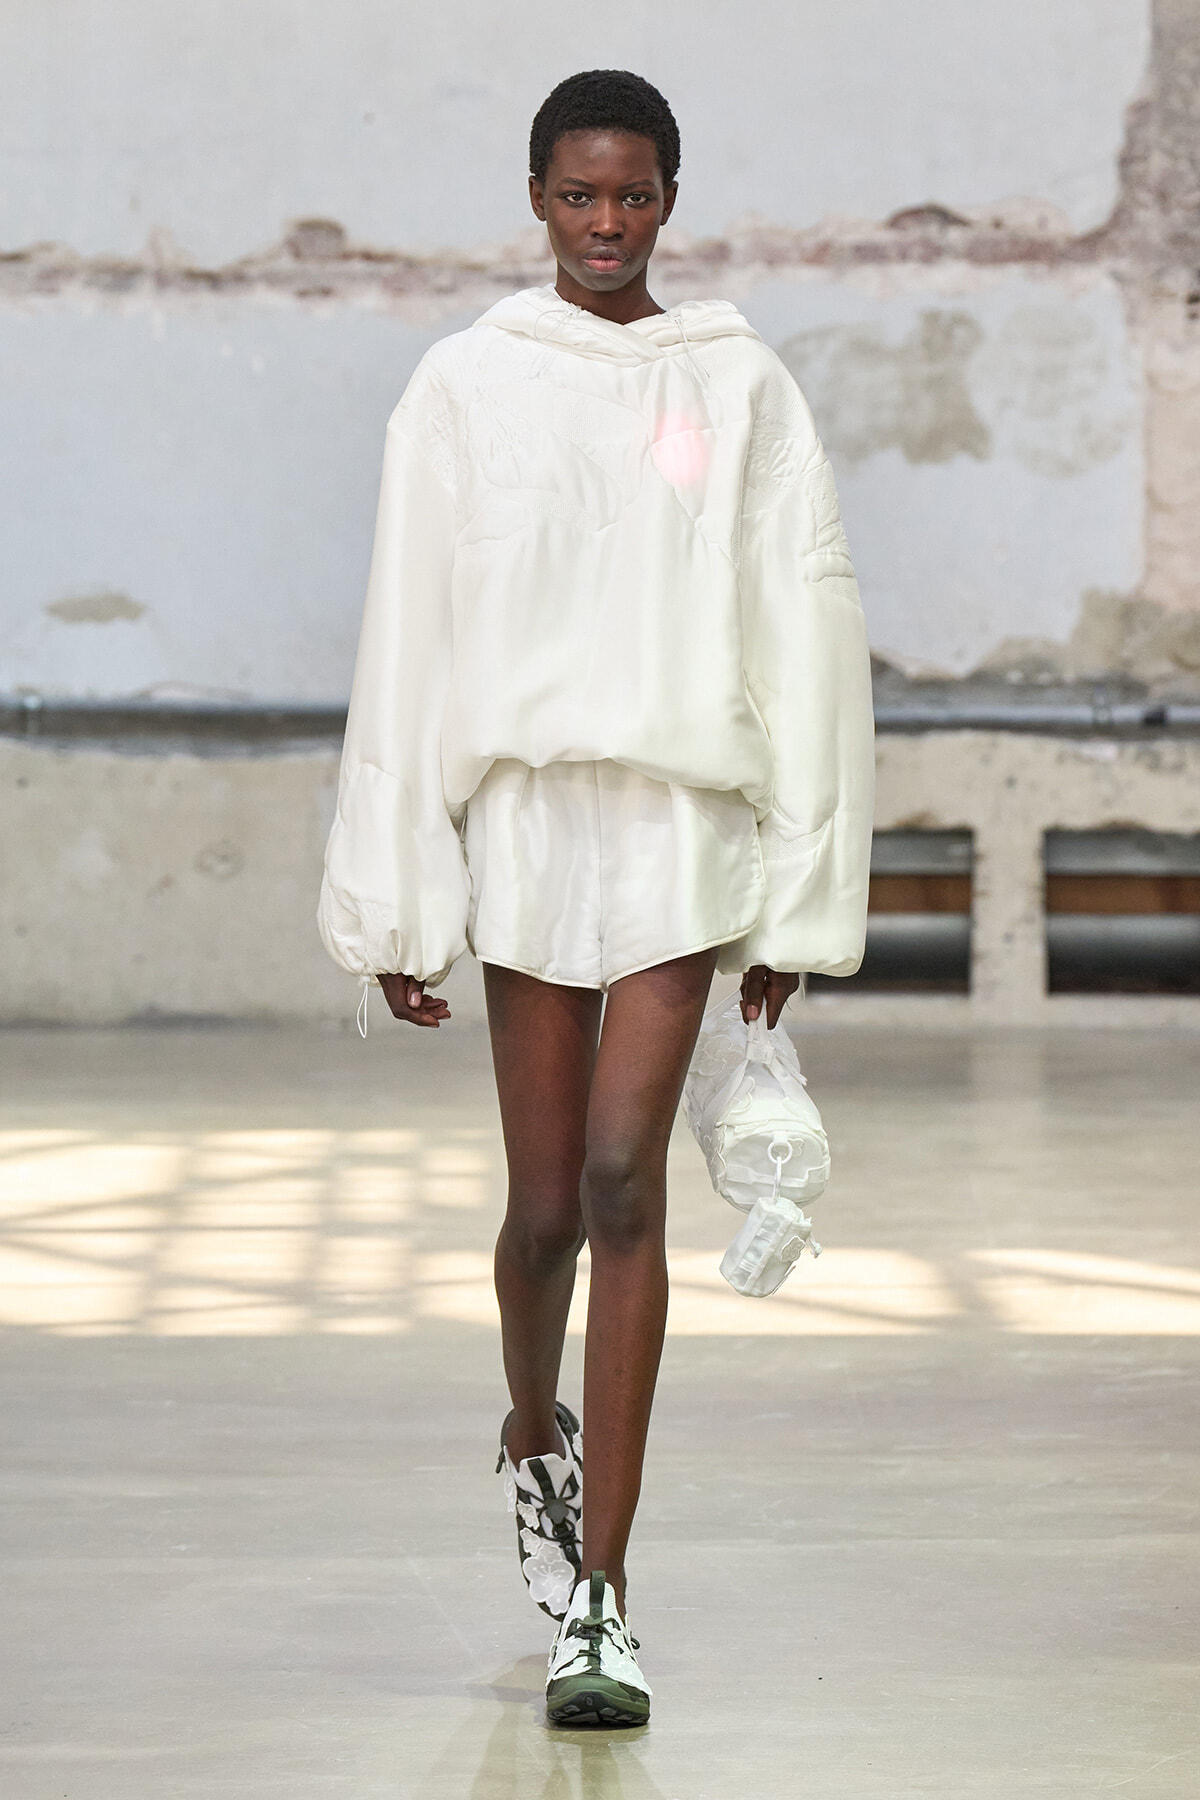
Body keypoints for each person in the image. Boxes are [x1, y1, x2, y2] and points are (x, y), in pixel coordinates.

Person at [318, 68, 874, 1727]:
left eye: (635, 196)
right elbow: (406, 629)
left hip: (683, 829)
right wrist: (398, 893)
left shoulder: (739, 379)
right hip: (531, 829)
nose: (608, 225)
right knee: (546, 1205)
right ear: (539, 200)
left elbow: (807, 621)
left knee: (629, 1178)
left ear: (673, 202)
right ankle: (525, 1428)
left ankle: (604, 1601)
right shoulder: (469, 384)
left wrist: (798, 891)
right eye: (580, 196)